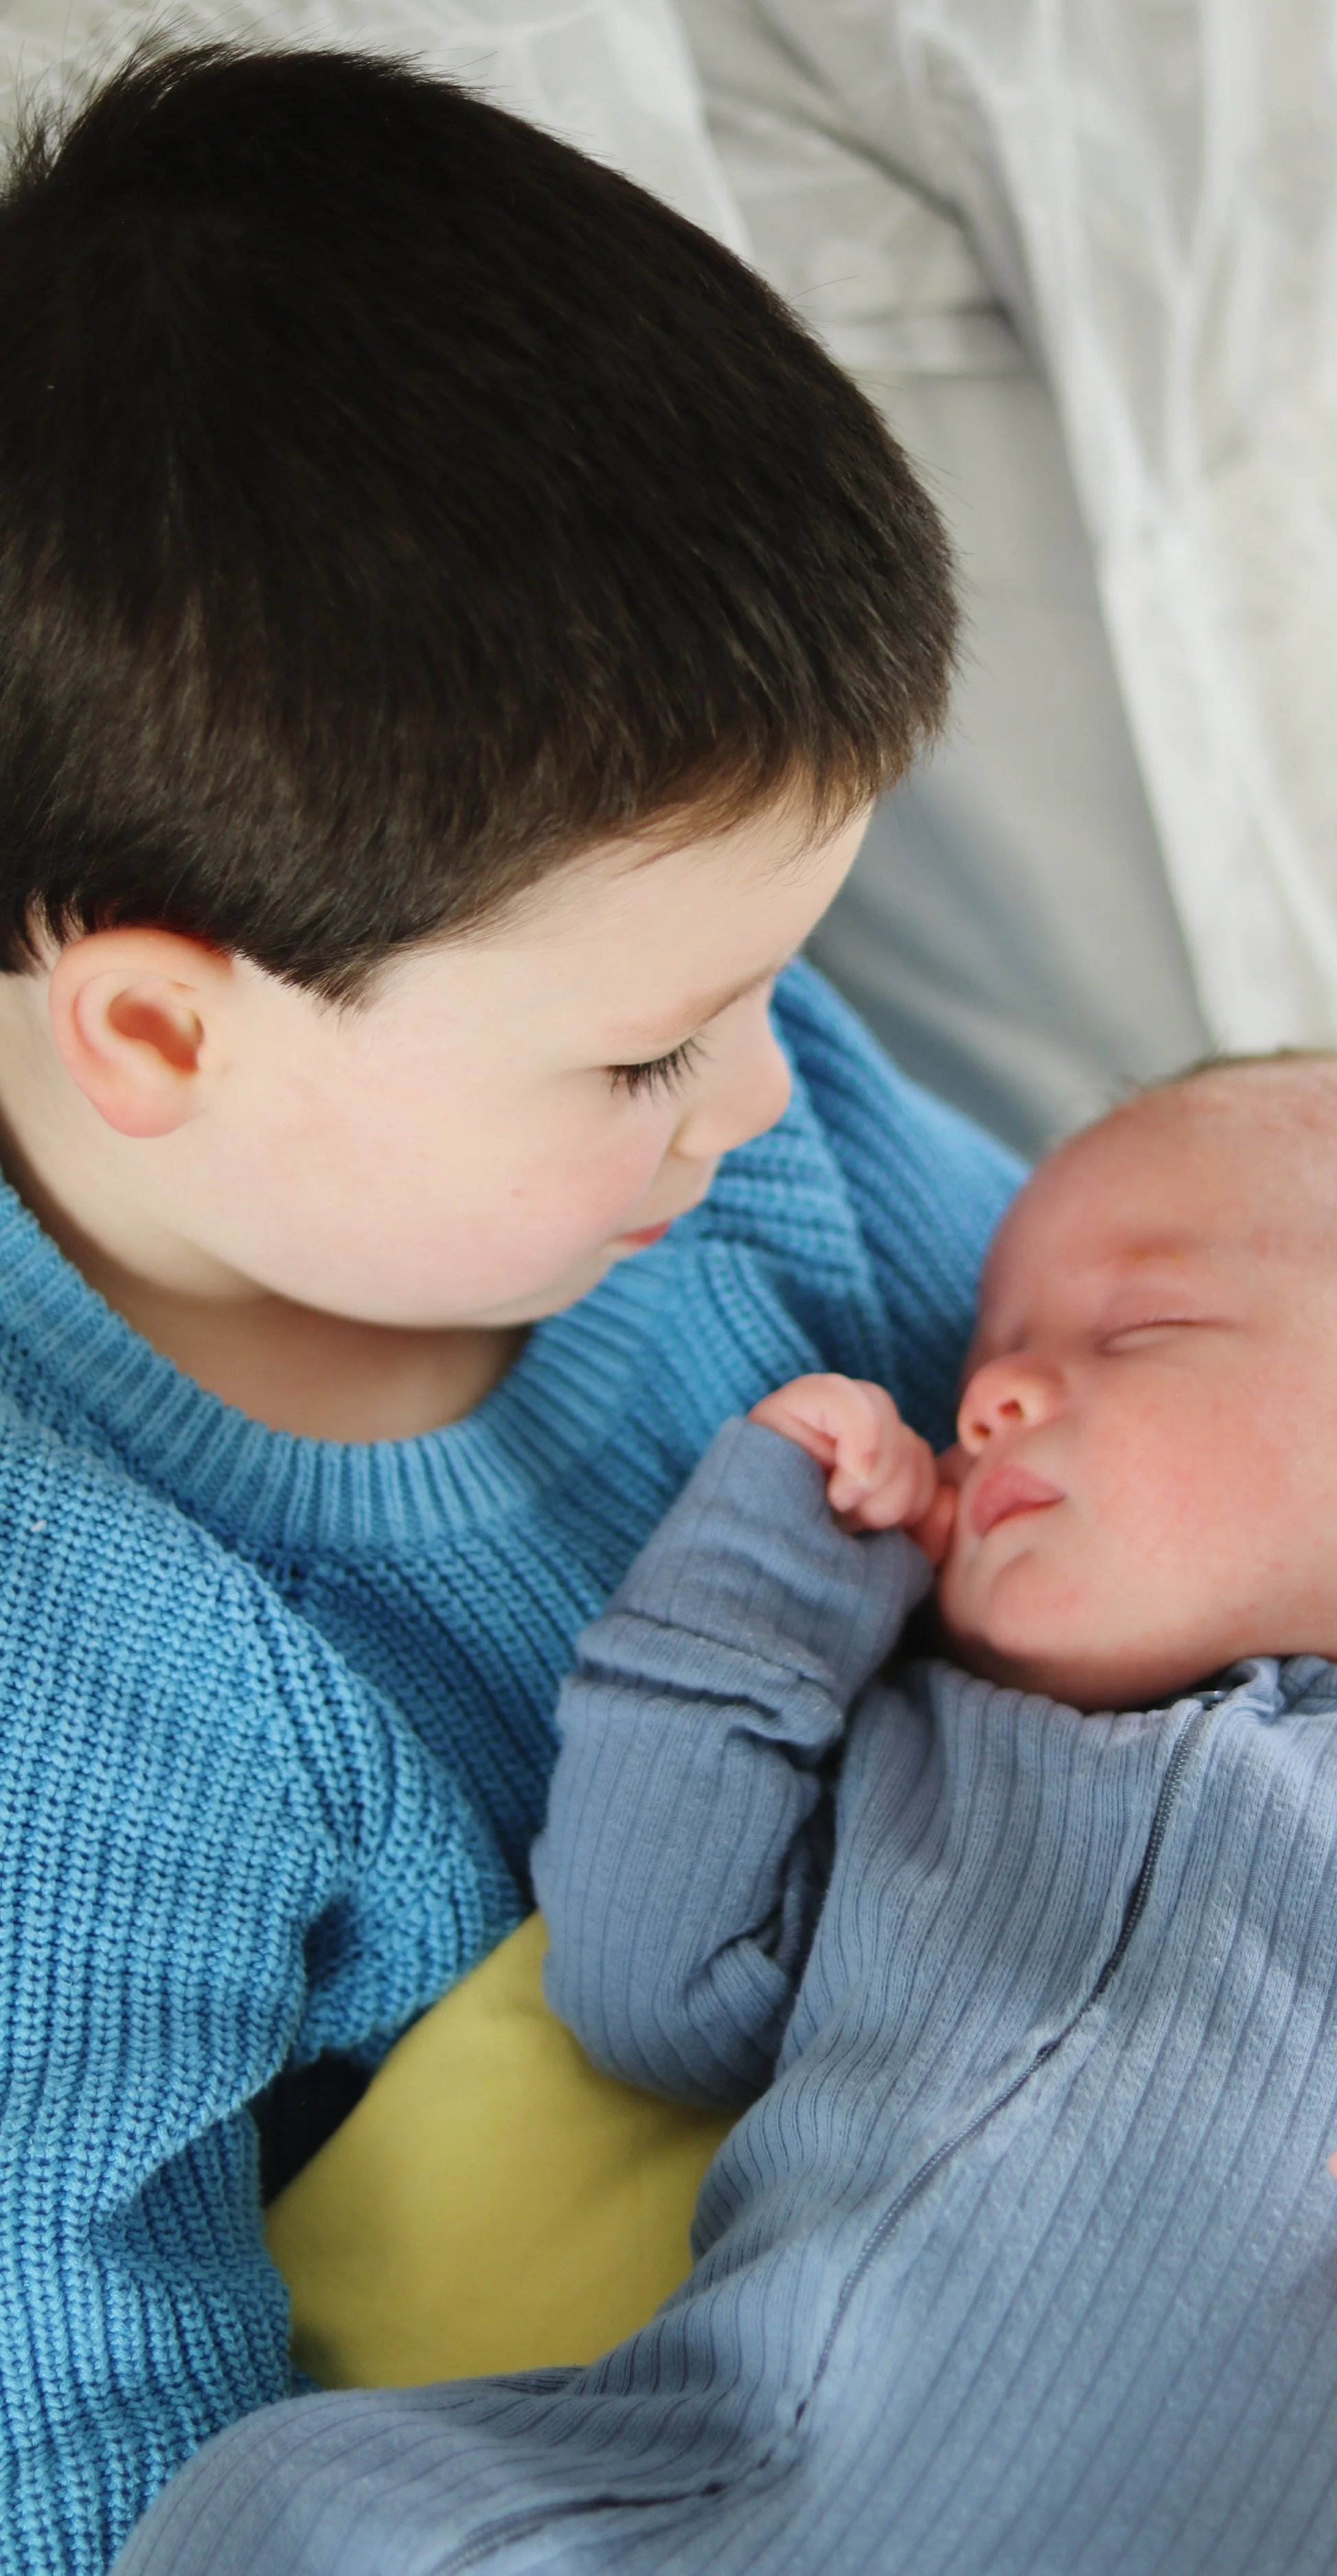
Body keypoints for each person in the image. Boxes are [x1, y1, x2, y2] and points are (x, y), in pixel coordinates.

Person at [0, 40, 1022, 2574]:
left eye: (787, 975)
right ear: (157, 1031)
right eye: (658, 1043)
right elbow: (70, 2394)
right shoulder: (90, 1672)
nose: (776, 1097)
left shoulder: (719, 1155)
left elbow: (1165, 1395)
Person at [115, 1050, 1337, 2576]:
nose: (996, 1393)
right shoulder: (925, 1746)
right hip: (709, 2505)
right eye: (982, 1363)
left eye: (1137, 1330)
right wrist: (767, 1582)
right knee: (286, 2506)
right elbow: (649, 1998)